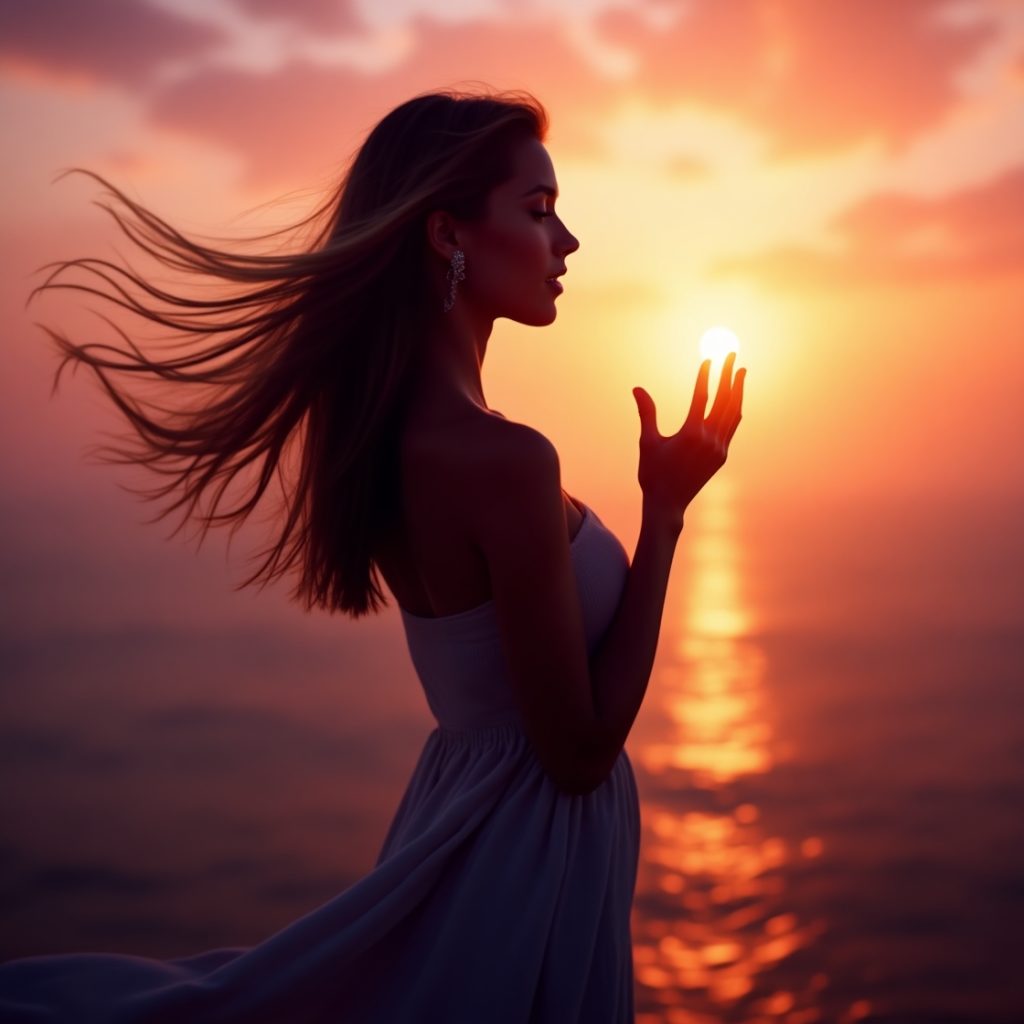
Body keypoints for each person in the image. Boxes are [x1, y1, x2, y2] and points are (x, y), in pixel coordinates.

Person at [0, 85, 745, 1022]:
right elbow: (579, 753)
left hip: (467, 827)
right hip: (519, 868)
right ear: (447, 234)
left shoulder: (398, 438)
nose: (568, 242)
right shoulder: (504, 459)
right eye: (539, 209)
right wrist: (665, 515)